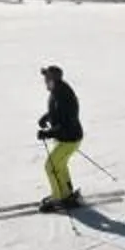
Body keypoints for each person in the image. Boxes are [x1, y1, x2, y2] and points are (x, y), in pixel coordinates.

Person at [35, 64, 85, 211]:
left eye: (47, 78)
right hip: (69, 138)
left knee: (50, 166)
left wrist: (47, 133)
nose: (44, 81)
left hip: (69, 139)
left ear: (53, 80)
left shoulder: (63, 96)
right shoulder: (58, 91)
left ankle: (58, 198)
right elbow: (56, 111)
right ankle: (66, 194)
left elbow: (65, 123)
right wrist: (46, 117)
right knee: (59, 165)